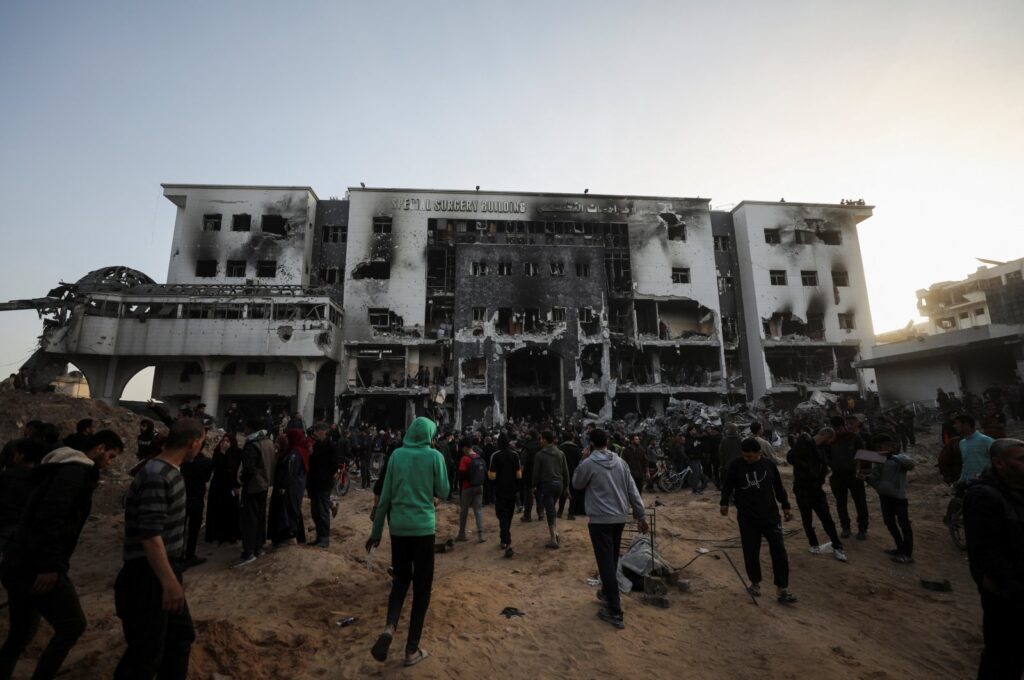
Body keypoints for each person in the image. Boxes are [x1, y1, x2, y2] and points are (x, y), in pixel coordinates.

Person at [0, 431, 123, 680]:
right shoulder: (74, 473)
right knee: (72, 625)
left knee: (21, 632)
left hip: (19, 561)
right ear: (99, 448)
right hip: (36, 565)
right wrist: (50, 566)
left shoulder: (60, 467)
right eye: (111, 456)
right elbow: (51, 519)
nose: (110, 462)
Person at [113, 419, 203, 680]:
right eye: (202, 442)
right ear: (193, 442)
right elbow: (150, 534)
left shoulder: (169, 471)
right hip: (149, 574)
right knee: (145, 653)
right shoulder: (157, 475)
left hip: (162, 570)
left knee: (179, 639)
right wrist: (169, 581)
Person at [366, 417, 449, 668]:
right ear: (430, 435)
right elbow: (444, 491)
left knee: (400, 581)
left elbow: (385, 498)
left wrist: (376, 532)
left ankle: (390, 627)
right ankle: (411, 650)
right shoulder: (435, 456)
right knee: (422, 590)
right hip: (423, 529)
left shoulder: (397, 456)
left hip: (398, 530)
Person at [571, 428, 648, 630]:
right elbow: (633, 490)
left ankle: (615, 611)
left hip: (600, 520)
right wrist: (641, 515)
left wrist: (583, 459)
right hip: (619, 518)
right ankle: (607, 593)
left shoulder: (589, 464)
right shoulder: (621, 463)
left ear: (591, 444)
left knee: (605, 563)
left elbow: (577, 483)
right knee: (612, 558)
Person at [963, 438, 1024, 679]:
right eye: (1020, 459)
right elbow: (986, 555)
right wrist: (1014, 591)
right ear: (999, 463)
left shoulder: (1017, 491)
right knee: (1002, 660)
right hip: (1007, 598)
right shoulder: (984, 496)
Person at [720, 438, 797, 604]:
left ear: (759, 453)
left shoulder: (769, 465)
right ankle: (755, 583)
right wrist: (724, 502)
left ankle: (782, 588)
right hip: (747, 517)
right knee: (750, 551)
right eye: (745, 456)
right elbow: (728, 485)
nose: (747, 459)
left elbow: (778, 487)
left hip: (770, 515)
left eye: (751, 456)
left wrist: (786, 506)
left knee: (779, 550)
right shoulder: (736, 465)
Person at [787, 428, 846, 562]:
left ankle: (837, 545)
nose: (830, 442)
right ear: (826, 435)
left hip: (816, 489)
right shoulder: (804, 443)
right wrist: (809, 469)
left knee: (827, 518)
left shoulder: (822, 448)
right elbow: (791, 457)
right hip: (802, 488)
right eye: (830, 439)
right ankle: (814, 544)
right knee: (807, 518)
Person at [863, 433, 915, 564]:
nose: (880, 449)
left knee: (904, 525)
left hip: (899, 498)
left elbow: (910, 464)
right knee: (890, 523)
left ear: (891, 446)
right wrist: (868, 480)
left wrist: (893, 457)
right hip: (884, 497)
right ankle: (900, 548)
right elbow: (875, 478)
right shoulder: (879, 461)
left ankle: (907, 554)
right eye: (878, 447)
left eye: (883, 446)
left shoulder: (900, 457)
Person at [233, 419, 273, 568]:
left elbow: (248, 468)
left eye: (245, 427)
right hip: (264, 485)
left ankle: (248, 551)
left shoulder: (252, 445)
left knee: (249, 519)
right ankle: (258, 547)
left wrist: (242, 481)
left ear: (250, 428)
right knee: (260, 517)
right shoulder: (268, 442)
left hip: (252, 487)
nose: (244, 430)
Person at [826, 416, 869, 540]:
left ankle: (862, 529)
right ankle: (845, 527)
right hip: (838, 476)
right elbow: (826, 455)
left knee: (860, 502)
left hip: (854, 475)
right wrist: (832, 465)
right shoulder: (831, 440)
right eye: (835, 429)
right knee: (841, 503)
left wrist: (860, 470)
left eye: (839, 428)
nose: (838, 431)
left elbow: (862, 454)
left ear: (844, 426)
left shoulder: (854, 438)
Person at [268, 429, 308, 547]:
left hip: (291, 488)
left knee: (289, 511)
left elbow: (290, 471)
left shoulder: (295, 453)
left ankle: (291, 536)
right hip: (295, 487)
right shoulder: (297, 451)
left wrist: (284, 486)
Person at [533, 430, 571, 549]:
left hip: (547, 486)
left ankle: (553, 539)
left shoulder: (540, 455)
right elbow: (566, 472)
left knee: (550, 512)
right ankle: (555, 532)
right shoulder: (560, 453)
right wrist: (567, 487)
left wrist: (533, 485)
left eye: (541, 439)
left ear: (545, 440)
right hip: (558, 485)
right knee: (551, 510)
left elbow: (536, 473)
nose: (540, 441)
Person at [180, 440, 213, 567]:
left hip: (183, 497)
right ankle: (190, 555)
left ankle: (178, 555)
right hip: (197, 499)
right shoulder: (207, 462)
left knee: (181, 529)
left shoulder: (184, 461)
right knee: (193, 530)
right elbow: (206, 478)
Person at [308, 423, 341, 548]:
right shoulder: (316, 445)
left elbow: (334, 465)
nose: (315, 433)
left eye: (317, 430)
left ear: (324, 431)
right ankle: (319, 536)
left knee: (322, 511)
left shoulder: (331, 446)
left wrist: (326, 476)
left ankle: (324, 538)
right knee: (315, 511)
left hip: (323, 483)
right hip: (314, 483)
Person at [489, 434, 522, 558]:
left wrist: (492, 489)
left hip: (500, 490)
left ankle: (506, 540)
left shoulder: (496, 456)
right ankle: (505, 538)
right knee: (508, 514)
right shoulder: (515, 455)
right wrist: (518, 488)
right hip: (512, 490)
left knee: (501, 514)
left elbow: (492, 476)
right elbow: (519, 475)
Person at [205, 434, 241, 545]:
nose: (225, 443)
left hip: (231, 486)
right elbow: (217, 467)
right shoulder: (218, 452)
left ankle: (231, 535)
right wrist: (222, 453)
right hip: (218, 486)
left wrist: (237, 486)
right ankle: (217, 535)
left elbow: (236, 470)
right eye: (223, 440)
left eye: (228, 441)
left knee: (231, 510)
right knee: (218, 510)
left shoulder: (237, 453)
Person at [455, 439, 486, 543]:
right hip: (479, 486)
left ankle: (462, 534)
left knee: (464, 510)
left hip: (467, 487)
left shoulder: (464, 458)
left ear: (464, 448)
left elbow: (461, 475)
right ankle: (481, 534)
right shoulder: (478, 456)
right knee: (478, 510)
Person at [957, 414, 995, 484]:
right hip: (969, 483)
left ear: (965, 424)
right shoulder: (962, 443)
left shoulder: (986, 440)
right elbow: (965, 464)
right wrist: (961, 480)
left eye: (957, 423)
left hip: (986, 483)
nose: (955, 426)